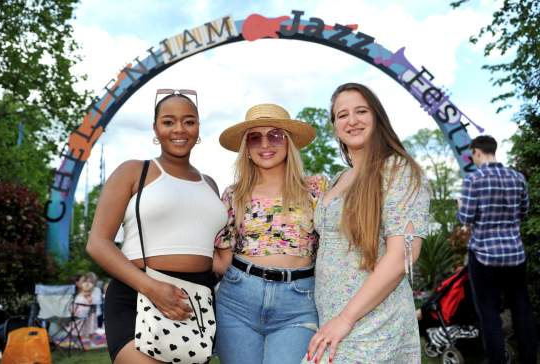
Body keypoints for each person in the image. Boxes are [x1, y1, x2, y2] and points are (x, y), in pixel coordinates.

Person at [86, 89, 227, 363]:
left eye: (189, 121)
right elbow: (98, 243)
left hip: (195, 303)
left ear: (198, 127)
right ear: (155, 128)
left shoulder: (209, 183)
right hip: (138, 295)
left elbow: (215, 252)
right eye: (168, 121)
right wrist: (151, 288)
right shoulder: (133, 171)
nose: (179, 129)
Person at [305, 83, 430, 363]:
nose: (352, 120)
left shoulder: (399, 171)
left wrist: (346, 318)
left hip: (373, 320)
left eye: (361, 111)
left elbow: (402, 256)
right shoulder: (338, 179)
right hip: (332, 318)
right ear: (335, 125)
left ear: (377, 117)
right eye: (342, 115)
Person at [213, 103, 327, 364]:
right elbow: (221, 260)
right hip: (237, 301)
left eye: (275, 135)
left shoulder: (316, 189)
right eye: (255, 137)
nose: (266, 144)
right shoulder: (233, 194)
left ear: (289, 143)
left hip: (299, 304)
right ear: (247, 148)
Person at [457, 135, 537, 363]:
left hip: (484, 256)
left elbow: (466, 218)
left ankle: (497, 360)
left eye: (473, 154)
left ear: (477, 152)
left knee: (489, 313)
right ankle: (529, 358)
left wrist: (461, 207)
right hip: (515, 255)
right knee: (522, 309)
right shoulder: (518, 178)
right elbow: (523, 212)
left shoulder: (473, 179)